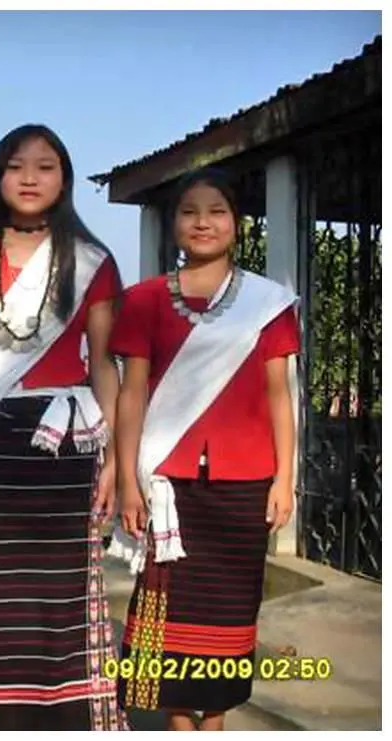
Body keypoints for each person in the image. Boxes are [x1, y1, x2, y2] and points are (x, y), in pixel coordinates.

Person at [0, 123, 127, 731]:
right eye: (16, 166)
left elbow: (105, 365)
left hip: (64, 447)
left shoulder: (92, 262)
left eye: (45, 167)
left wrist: (116, 464)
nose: (29, 178)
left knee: (60, 591)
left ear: (64, 180)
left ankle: (63, 714)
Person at [107, 168, 298, 731]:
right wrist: (127, 481)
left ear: (236, 223)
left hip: (245, 482)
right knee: (166, 609)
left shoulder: (267, 304)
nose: (203, 222)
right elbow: (132, 394)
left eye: (216, 211)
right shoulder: (143, 300)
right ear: (174, 225)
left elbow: (279, 395)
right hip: (167, 484)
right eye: (189, 211)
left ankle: (213, 720)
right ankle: (177, 720)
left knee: (230, 610)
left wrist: (285, 479)